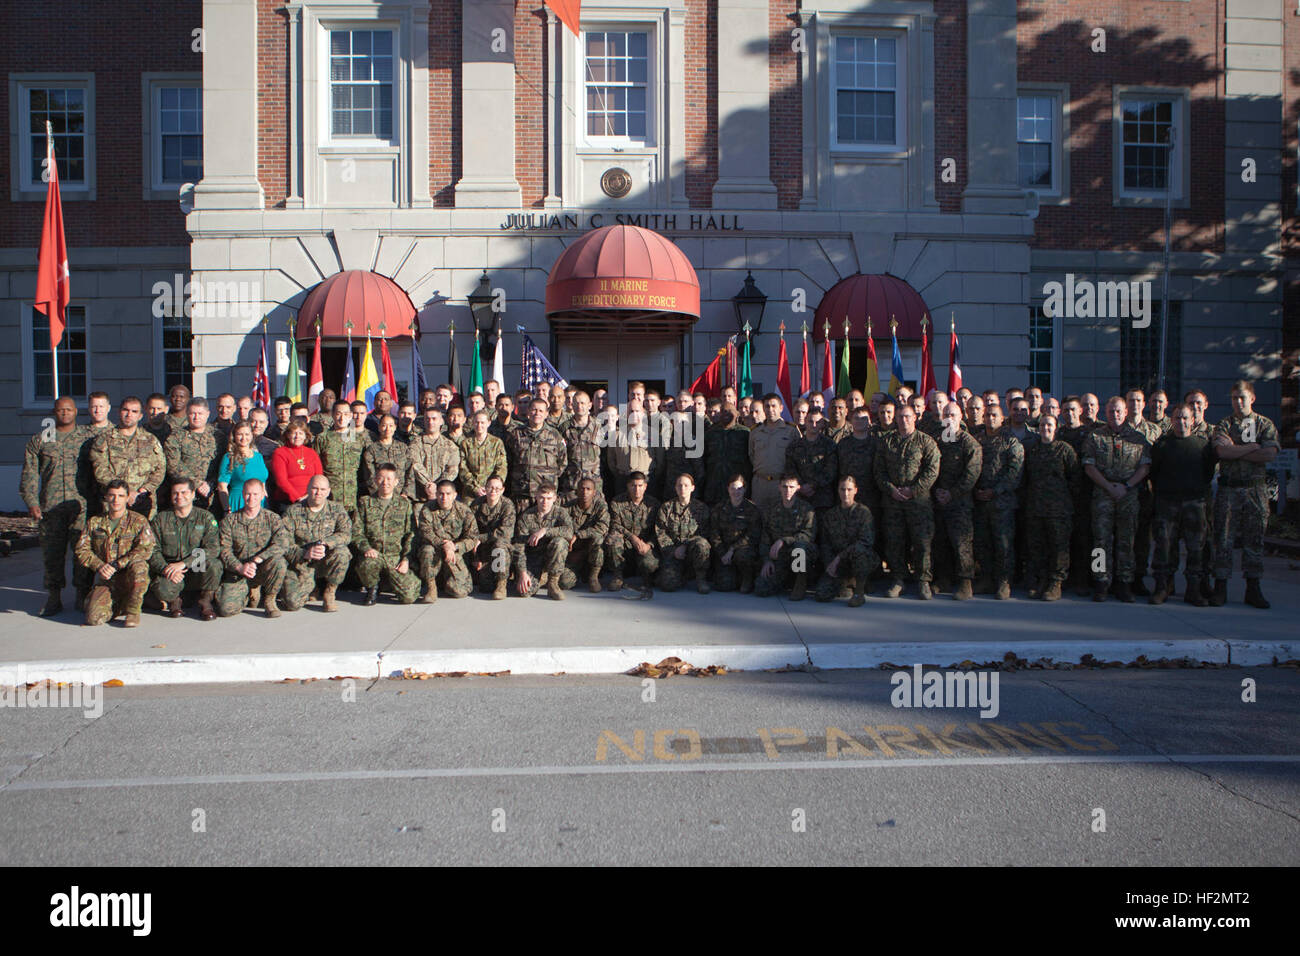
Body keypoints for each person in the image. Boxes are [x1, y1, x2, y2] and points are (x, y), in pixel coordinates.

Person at [21, 396, 93, 616]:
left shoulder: (87, 438)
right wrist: (32, 502)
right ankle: (54, 596)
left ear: (75, 412)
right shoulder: (41, 439)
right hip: (50, 507)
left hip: (80, 505)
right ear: (54, 412)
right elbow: (30, 474)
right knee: (52, 554)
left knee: (81, 552)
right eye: (60, 410)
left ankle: (82, 594)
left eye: (69, 409)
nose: (64, 413)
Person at [1210, 380, 1279, 609]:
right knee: (1223, 538)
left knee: (1254, 538)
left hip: (1255, 489)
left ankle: (1253, 586)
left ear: (1252, 398)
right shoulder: (1224, 424)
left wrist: (1235, 450)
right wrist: (1251, 448)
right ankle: (1220, 585)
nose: (1238, 402)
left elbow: (1269, 454)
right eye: (1234, 398)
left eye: (1242, 397)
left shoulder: (1263, 424)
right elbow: (1221, 451)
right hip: (1229, 488)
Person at [1082, 396, 1151, 603]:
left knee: (1126, 541)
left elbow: (1145, 467)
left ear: (1126, 412)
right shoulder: (1095, 437)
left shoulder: (1138, 438)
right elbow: (1089, 466)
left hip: (1128, 493)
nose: (1115, 415)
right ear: (1106, 411)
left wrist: (1127, 486)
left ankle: (1124, 583)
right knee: (1100, 542)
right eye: (1112, 411)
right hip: (1103, 492)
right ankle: (1101, 582)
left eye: (1119, 411)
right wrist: (1108, 486)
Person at [1149, 404, 1217, 607]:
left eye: (1185, 418)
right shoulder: (1162, 445)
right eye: (1178, 418)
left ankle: (1193, 590)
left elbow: (1208, 472)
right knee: (1164, 546)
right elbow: (1154, 472)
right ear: (1171, 420)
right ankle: (1163, 587)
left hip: (1194, 504)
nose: (1182, 422)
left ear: (1193, 420)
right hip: (1167, 503)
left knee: (1196, 548)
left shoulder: (1202, 445)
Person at [874, 404, 940, 599]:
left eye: (908, 417)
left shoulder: (926, 442)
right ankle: (898, 579)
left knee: (922, 543)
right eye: (900, 417)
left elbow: (932, 470)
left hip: (919, 502)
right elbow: (878, 470)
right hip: (892, 501)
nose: (904, 420)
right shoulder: (887, 441)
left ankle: (923, 580)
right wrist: (891, 489)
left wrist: (914, 489)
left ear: (915, 418)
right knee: (895, 541)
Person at [74, 480, 155, 627]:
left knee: (140, 567)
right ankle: (120, 604)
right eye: (112, 495)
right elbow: (82, 549)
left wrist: (119, 564)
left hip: (129, 575)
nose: (116, 500)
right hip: (107, 579)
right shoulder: (95, 522)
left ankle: (132, 611)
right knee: (93, 619)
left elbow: (145, 548)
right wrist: (99, 566)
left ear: (127, 497)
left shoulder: (138, 521)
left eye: (120, 495)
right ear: (106, 497)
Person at [1023, 414, 1081, 601]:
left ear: (1056, 427)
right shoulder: (1032, 450)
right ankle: (1040, 580)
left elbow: (1075, 480)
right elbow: (1026, 478)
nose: (1045, 428)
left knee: (1058, 547)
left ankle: (1056, 583)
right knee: (1036, 546)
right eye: (1042, 425)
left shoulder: (1065, 450)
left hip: (1059, 510)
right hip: (1035, 508)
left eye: (1049, 425)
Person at [147, 478, 221, 620]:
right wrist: (165, 568)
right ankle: (175, 600)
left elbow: (212, 548)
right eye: (175, 493)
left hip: (196, 568)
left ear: (193, 494)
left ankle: (205, 601)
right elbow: (152, 549)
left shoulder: (205, 517)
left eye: (183, 492)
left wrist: (184, 563)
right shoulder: (161, 519)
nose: (179, 496)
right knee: (163, 590)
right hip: (170, 569)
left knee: (214, 565)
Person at [931, 402, 981, 600]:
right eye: (946, 415)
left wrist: (952, 493)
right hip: (939, 501)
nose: (949, 418)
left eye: (953, 414)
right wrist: (937, 492)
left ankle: (965, 581)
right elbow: (930, 468)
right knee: (940, 542)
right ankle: (943, 578)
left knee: (962, 544)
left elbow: (971, 474)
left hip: (960, 502)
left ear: (961, 417)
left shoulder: (969, 443)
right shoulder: (938, 441)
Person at [216, 478, 288, 617]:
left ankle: (270, 600)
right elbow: (223, 550)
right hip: (238, 571)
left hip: (262, 568)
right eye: (248, 494)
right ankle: (247, 593)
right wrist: (239, 567)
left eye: (255, 494)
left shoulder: (272, 518)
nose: (251, 498)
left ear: (262, 495)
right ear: (243, 494)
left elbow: (282, 544)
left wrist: (259, 559)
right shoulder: (230, 521)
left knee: (279, 563)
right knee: (226, 610)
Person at [281, 474, 352, 612]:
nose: (318, 493)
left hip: (326, 560)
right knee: (292, 604)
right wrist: (304, 553)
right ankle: (311, 588)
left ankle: (330, 592)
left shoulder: (336, 510)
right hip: (301, 563)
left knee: (342, 553)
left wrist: (326, 543)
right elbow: (283, 543)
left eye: (323, 489)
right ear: (307, 489)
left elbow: (346, 534)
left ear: (328, 491)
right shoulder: (292, 512)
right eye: (314, 488)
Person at [973, 405, 1023, 599]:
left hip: (1003, 502)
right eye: (987, 415)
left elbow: (1015, 472)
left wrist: (995, 491)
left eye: (994, 415)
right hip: (980, 500)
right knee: (982, 542)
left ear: (1002, 418)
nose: (990, 418)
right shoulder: (977, 440)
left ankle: (1004, 581)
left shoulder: (1011, 442)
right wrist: (976, 490)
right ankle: (986, 577)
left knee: (1003, 543)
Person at [353, 464, 421, 605]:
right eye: (381, 478)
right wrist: (366, 548)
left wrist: (406, 559)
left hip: (395, 557)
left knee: (409, 597)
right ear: (376, 480)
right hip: (374, 554)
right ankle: (372, 588)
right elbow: (356, 531)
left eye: (389, 479)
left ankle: (386, 582)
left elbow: (411, 535)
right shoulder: (365, 502)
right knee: (366, 565)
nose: (385, 482)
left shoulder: (404, 504)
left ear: (396, 481)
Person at [90, 396, 167, 518]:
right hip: (114, 503)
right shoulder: (104, 439)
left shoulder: (150, 440)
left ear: (140, 416)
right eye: (125, 410)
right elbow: (100, 470)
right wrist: (124, 493)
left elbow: (160, 469)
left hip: (143, 501)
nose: (129, 414)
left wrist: (142, 491)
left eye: (134, 411)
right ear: (119, 412)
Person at [814, 474, 877, 606]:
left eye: (849, 489)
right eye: (842, 489)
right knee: (821, 594)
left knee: (860, 553)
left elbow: (865, 542)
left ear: (856, 490)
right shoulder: (830, 515)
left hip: (858, 559)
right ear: (838, 491)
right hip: (838, 563)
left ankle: (859, 592)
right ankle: (847, 582)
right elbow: (825, 544)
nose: (845, 493)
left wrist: (839, 557)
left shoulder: (864, 513)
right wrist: (830, 564)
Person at [754, 474, 818, 600]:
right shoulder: (772, 509)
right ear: (779, 487)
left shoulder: (806, 509)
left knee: (799, 548)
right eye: (785, 486)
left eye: (791, 487)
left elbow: (808, 535)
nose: (788, 490)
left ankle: (800, 582)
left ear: (798, 488)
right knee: (761, 588)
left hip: (800, 554)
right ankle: (784, 580)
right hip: (780, 556)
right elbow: (765, 536)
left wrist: (783, 540)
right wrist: (767, 560)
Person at [417, 480, 480, 603]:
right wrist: (445, 544)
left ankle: (445, 580)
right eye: (440, 493)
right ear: (436, 494)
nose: (444, 497)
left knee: (459, 591)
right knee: (427, 550)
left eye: (448, 494)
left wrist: (455, 547)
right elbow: (426, 532)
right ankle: (431, 587)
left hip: (455, 553)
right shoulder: (427, 509)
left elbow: (472, 537)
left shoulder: (463, 510)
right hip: (435, 551)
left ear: (455, 495)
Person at [1125, 388, 1162, 595]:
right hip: (1122, 492)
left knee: (1142, 538)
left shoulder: (1154, 430)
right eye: (1131, 400)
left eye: (1139, 400)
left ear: (1144, 403)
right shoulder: (1116, 427)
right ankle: (1113, 577)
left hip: (1145, 491)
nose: (1135, 404)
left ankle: (1139, 577)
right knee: (1118, 537)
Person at [653, 473, 712, 594]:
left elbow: (705, 532)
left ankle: (701, 579)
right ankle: (681, 575)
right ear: (675, 488)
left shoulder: (701, 508)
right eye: (679, 485)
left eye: (686, 485)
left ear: (692, 488)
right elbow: (661, 532)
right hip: (673, 553)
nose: (683, 489)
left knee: (702, 544)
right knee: (667, 585)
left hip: (692, 551)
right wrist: (674, 550)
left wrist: (685, 546)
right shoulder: (666, 508)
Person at [512, 482, 572, 600]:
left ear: (555, 498)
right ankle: (542, 577)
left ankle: (552, 584)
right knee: (524, 592)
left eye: (549, 498)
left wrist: (545, 530)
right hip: (534, 559)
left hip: (553, 559)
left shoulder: (561, 513)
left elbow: (569, 532)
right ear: (536, 497)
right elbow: (519, 547)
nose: (545, 502)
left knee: (560, 542)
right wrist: (522, 573)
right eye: (542, 498)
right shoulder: (526, 516)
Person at [605, 472, 659, 596]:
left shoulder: (653, 504)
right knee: (613, 539)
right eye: (633, 486)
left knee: (650, 565)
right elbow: (615, 525)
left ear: (645, 486)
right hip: (625, 544)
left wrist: (649, 545)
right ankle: (617, 576)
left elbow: (659, 529)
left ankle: (646, 577)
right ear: (628, 486)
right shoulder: (617, 502)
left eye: (640, 486)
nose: (637, 489)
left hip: (644, 546)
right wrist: (632, 537)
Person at [163, 397, 220, 511]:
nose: (196, 417)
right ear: (187, 414)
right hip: (185, 496)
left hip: (212, 495)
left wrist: (210, 484)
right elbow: (173, 465)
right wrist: (197, 484)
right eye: (192, 413)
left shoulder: (218, 436)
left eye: (200, 413)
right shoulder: (176, 437)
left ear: (208, 414)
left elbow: (222, 464)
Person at [708, 474, 763, 593]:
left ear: (745, 489)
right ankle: (734, 575)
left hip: (742, 550)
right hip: (724, 551)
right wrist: (723, 553)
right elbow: (714, 533)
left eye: (739, 488)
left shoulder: (752, 509)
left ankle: (747, 577)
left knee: (743, 556)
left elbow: (752, 535)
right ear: (728, 489)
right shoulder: (720, 508)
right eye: (733, 488)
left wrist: (732, 549)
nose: (736, 492)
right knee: (724, 585)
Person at [748, 394, 800, 510]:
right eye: (767, 406)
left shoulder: (791, 431)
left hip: (781, 484)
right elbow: (752, 455)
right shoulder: (755, 432)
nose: (770, 410)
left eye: (773, 406)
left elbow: (797, 458)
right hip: (760, 484)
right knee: (758, 518)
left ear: (781, 408)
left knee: (780, 519)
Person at [314, 401, 366, 514]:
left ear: (350, 416)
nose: (342, 418)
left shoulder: (359, 439)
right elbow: (315, 467)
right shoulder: (322, 438)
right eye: (338, 414)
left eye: (346, 414)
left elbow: (365, 469)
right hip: (329, 499)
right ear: (332, 414)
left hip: (354, 499)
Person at [470, 475, 516, 599]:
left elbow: (504, 533)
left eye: (497, 488)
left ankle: (501, 585)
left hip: (501, 548)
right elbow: (469, 531)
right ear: (485, 488)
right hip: (483, 549)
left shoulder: (507, 505)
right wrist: (475, 556)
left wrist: (480, 538)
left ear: (502, 490)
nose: (493, 491)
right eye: (490, 487)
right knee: (486, 587)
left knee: (499, 545)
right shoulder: (476, 505)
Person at [565, 477, 610, 592]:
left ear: (594, 492)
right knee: (564, 582)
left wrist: (579, 535)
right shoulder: (568, 508)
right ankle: (576, 573)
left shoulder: (600, 506)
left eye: (588, 489)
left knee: (598, 539)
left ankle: (593, 577)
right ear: (576, 491)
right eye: (582, 488)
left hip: (591, 552)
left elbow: (602, 527)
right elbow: (562, 527)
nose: (585, 492)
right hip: (574, 552)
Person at [786, 415, 838, 512]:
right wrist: (801, 486)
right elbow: (790, 468)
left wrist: (813, 485)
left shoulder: (829, 445)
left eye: (817, 422)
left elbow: (831, 470)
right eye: (810, 421)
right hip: (800, 496)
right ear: (805, 422)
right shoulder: (794, 445)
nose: (814, 425)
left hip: (823, 498)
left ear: (822, 424)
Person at [218, 421, 270, 515]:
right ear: (234, 436)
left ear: (252, 435)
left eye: (247, 434)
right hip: (239, 502)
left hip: (260, 503)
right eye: (240, 434)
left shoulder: (258, 456)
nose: (244, 438)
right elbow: (222, 486)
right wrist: (226, 508)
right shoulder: (229, 457)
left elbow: (262, 481)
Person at [702, 406, 751, 505]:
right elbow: (704, 458)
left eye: (730, 411)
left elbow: (751, 457)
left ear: (737, 414)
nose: (726, 414)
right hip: (714, 485)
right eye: (723, 411)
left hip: (737, 486)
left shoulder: (745, 433)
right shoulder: (710, 433)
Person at [270, 422, 324, 509]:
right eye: (294, 433)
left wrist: (308, 496)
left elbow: (319, 477)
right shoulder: (280, 453)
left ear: (306, 436)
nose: (297, 436)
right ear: (288, 435)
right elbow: (281, 481)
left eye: (301, 433)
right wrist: (297, 498)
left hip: (311, 499)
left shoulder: (312, 453)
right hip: (288, 502)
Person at [458, 410, 508, 500]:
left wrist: (492, 486)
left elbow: (501, 467)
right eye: (476, 422)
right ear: (473, 423)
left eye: (482, 422)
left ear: (489, 423)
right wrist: (475, 488)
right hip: (470, 492)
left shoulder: (496, 443)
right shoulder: (465, 444)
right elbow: (463, 468)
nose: (479, 425)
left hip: (492, 492)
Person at [361, 414, 415, 498]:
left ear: (395, 427)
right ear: (379, 427)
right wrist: (379, 495)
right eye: (384, 425)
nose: (387, 429)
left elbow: (410, 471)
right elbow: (369, 476)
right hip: (379, 497)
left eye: (390, 426)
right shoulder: (372, 450)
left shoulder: (403, 448)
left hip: (400, 497)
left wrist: (405, 493)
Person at [561, 391, 603, 496]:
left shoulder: (599, 428)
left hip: (593, 483)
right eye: (577, 403)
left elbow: (607, 457)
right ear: (572, 405)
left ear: (590, 405)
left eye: (583, 403)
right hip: (572, 484)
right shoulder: (564, 429)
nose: (580, 406)